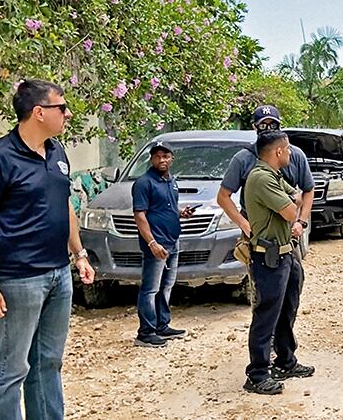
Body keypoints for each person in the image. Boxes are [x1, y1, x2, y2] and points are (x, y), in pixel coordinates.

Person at [0, 79, 96, 419]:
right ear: (39, 112)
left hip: (58, 274)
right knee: (11, 369)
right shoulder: (1, 157)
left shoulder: (57, 152)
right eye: (62, 108)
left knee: (48, 363)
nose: (67, 114)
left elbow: (63, 203)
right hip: (16, 279)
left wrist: (79, 252)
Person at [241, 131, 314, 395]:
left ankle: (285, 361)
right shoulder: (261, 178)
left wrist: (293, 206)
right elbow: (291, 210)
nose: (291, 153)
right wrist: (293, 208)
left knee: (287, 310)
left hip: (286, 253)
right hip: (268, 256)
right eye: (288, 149)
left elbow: (297, 195)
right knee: (266, 315)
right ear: (278, 152)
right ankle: (257, 373)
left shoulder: (274, 175)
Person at [217, 105, 314, 251]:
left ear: (280, 125)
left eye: (273, 124)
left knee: (293, 270)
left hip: (287, 228)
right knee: (259, 271)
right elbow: (223, 197)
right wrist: (243, 223)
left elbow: (308, 190)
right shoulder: (243, 159)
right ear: (255, 127)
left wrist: (301, 222)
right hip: (257, 230)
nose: (268, 129)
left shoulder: (295, 155)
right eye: (263, 124)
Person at [132, 141, 195, 347]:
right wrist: (151, 242)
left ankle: (162, 325)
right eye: (158, 156)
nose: (162, 160)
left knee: (166, 286)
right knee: (150, 288)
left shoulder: (170, 181)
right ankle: (146, 332)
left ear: (172, 159)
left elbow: (165, 207)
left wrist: (181, 213)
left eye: (166, 156)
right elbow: (140, 215)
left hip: (172, 240)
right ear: (151, 159)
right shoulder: (143, 183)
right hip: (156, 243)